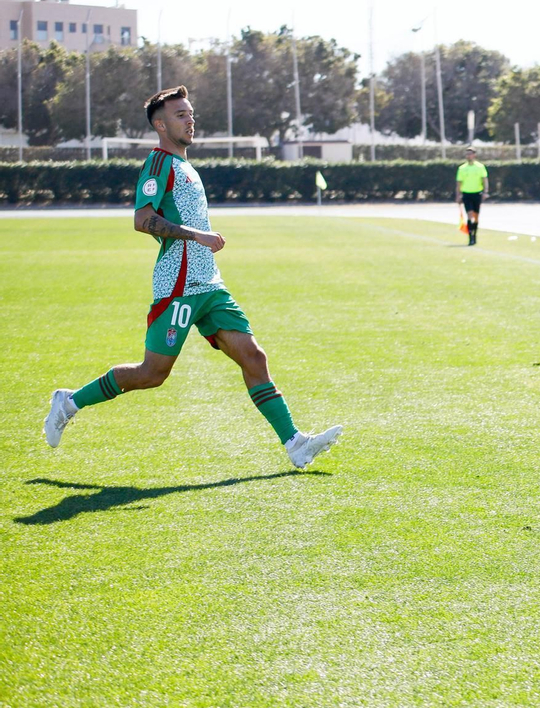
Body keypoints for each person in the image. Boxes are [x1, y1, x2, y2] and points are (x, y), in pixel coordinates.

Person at [41, 85, 341, 467]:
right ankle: (68, 402)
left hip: (210, 284)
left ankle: (295, 443)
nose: (190, 120)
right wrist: (196, 235)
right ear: (160, 125)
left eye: (190, 113)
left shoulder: (186, 166)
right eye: (180, 115)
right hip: (178, 285)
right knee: (152, 373)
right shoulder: (158, 164)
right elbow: (142, 219)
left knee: (253, 356)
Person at [455, 147, 488, 245]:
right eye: (467, 154)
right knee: (469, 215)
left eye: (470, 154)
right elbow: (459, 183)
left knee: (476, 216)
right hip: (466, 194)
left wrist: (485, 192)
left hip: (477, 193)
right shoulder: (462, 168)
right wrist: (458, 195)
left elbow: (484, 180)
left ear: (474, 155)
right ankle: (470, 237)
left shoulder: (480, 167)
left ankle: (475, 234)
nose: (468, 156)